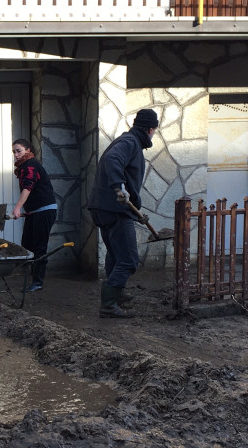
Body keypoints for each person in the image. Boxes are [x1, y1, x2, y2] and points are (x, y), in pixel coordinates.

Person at [87, 108, 159, 318]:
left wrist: (136, 210)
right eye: (154, 130)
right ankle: (108, 304)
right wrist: (119, 187)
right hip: (114, 208)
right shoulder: (130, 143)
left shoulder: (127, 140)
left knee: (116, 255)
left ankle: (116, 294)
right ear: (150, 129)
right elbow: (112, 160)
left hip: (103, 208)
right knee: (129, 260)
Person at [10, 138, 57, 292]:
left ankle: (37, 282)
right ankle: (31, 277)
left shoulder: (31, 165)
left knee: (39, 247)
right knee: (27, 244)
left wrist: (17, 208)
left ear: (28, 150)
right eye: (14, 152)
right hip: (35, 212)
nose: (16, 155)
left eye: (19, 151)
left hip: (45, 211)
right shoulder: (25, 166)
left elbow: (28, 187)